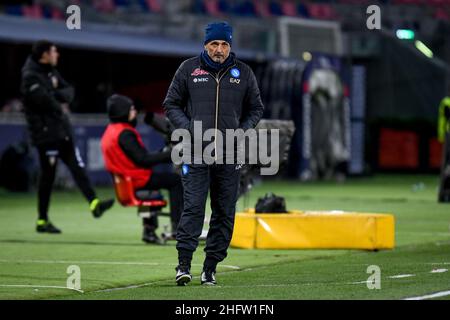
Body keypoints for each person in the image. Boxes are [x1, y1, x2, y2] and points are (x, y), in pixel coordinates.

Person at [163, 21, 264, 286]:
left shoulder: (244, 73)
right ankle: (183, 265)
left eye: (224, 44)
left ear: (230, 46)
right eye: (214, 44)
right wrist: (188, 129)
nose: (219, 49)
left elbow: (256, 108)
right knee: (193, 207)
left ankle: (210, 268)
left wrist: (242, 130)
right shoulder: (188, 69)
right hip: (196, 151)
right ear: (205, 45)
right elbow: (170, 104)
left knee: (224, 212)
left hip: (230, 153)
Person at [20, 40, 114, 234]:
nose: (57, 55)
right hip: (45, 135)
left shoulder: (50, 71)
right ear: (44, 54)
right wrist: (55, 94)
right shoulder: (30, 75)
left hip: (61, 130)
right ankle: (42, 219)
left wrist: (54, 92)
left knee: (77, 167)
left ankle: (94, 203)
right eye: (54, 52)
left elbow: (69, 93)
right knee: (48, 176)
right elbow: (47, 103)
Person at [101, 94, 183, 243]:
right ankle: (179, 228)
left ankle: (149, 230)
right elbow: (143, 160)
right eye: (131, 109)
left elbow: (139, 158)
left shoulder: (111, 131)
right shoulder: (124, 133)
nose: (134, 112)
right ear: (122, 112)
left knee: (161, 182)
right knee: (176, 181)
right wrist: (171, 154)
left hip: (128, 181)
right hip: (137, 179)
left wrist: (163, 154)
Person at [438, 87, 450, 202]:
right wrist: (442, 134)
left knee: (447, 165)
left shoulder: (446, 102)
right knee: (447, 165)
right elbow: (443, 119)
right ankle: (444, 194)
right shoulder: (446, 102)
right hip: (449, 135)